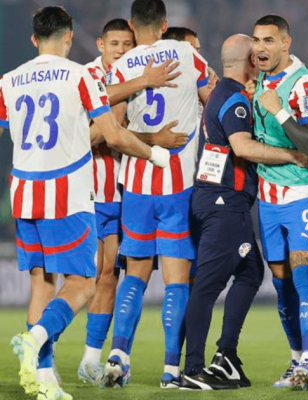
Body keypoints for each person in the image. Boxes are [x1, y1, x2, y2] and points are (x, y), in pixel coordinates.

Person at [5, 6, 169, 400]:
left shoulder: (8, 81)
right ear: (70, 37)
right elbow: (112, 135)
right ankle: (35, 339)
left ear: (34, 39)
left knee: (41, 283)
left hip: (23, 195)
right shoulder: (80, 76)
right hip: (66, 195)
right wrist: (155, 154)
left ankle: (43, 381)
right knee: (82, 284)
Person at [181, 34, 308, 391]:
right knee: (208, 285)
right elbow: (242, 147)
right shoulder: (235, 100)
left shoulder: (220, 93)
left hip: (215, 199)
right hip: (225, 202)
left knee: (251, 272)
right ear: (252, 62)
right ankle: (194, 368)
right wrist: (293, 155)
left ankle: (226, 356)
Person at [101, 0, 212, 389]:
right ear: (165, 24)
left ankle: (118, 355)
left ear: (132, 26)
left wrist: (149, 137)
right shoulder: (188, 54)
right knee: (177, 279)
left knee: (135, 275)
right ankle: (170, 369)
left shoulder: (121, 67)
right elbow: (213, 102)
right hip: (178, 185)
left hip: (135, 185)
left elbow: (113, 131)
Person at [78, 17, 187, 385]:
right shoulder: (89, 77)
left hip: (126, 191)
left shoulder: (141, 71)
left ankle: (96, 359)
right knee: (87, 278)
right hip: (91, 192)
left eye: (127, 44)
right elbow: (96, 136)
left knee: (112, 275)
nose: (122, 50)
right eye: (115, 44)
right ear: (100, 45)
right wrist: (153, 139)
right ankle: (48, 346)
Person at [249, 15, 308, 391]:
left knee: (304, 270)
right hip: (268, 194)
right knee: (281, 282)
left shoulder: (303, 84)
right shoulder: (261, 79)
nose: (260, 47)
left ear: (285, 43)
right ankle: (296, 360)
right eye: (256, 40)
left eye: (268, 40)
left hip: (303, 191)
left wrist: (279, 109)